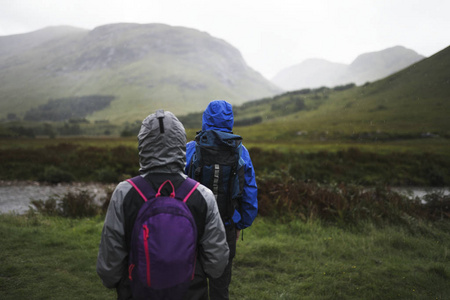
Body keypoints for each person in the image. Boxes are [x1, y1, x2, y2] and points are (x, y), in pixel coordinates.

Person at [97, 109, 229, 300]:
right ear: (180, 144)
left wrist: (115, 281)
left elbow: (110, 263)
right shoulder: (202, 195)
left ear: (143, 144)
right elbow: (217, 263)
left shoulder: (124, 192)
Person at [185, 100, 258, 300]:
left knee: (192, 282)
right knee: (220, 283)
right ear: (230, 120)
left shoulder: (190, 149)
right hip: (226, 225)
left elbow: (177, 186)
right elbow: (249, 191)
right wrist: (240, 223)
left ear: (205, 118)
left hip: (192, 226)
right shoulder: (241, 152)